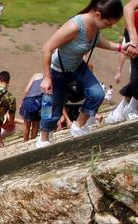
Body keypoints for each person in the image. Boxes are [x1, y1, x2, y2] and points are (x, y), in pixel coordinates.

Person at [38, 0, 133, 148]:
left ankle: (79, 126)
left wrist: (120, 47)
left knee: (97, 93)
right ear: (97, 14)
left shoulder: (95, 25)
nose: (110, 27)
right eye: (108, 24)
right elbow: (46, 48)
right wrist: (47, 77)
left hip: (77, 66)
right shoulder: (75, 26)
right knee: (51, 109)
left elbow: (96, 41)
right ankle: (43, 139)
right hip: (58, 71)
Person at [20, 73, 43, 142]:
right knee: (36, 123)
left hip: (29, 100)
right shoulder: (52, 78)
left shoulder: (37, 75)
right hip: (40, 102)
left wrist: (22, 101)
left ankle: (25, 141)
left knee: (26, 123)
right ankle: (32, 141)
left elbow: (27, 90)